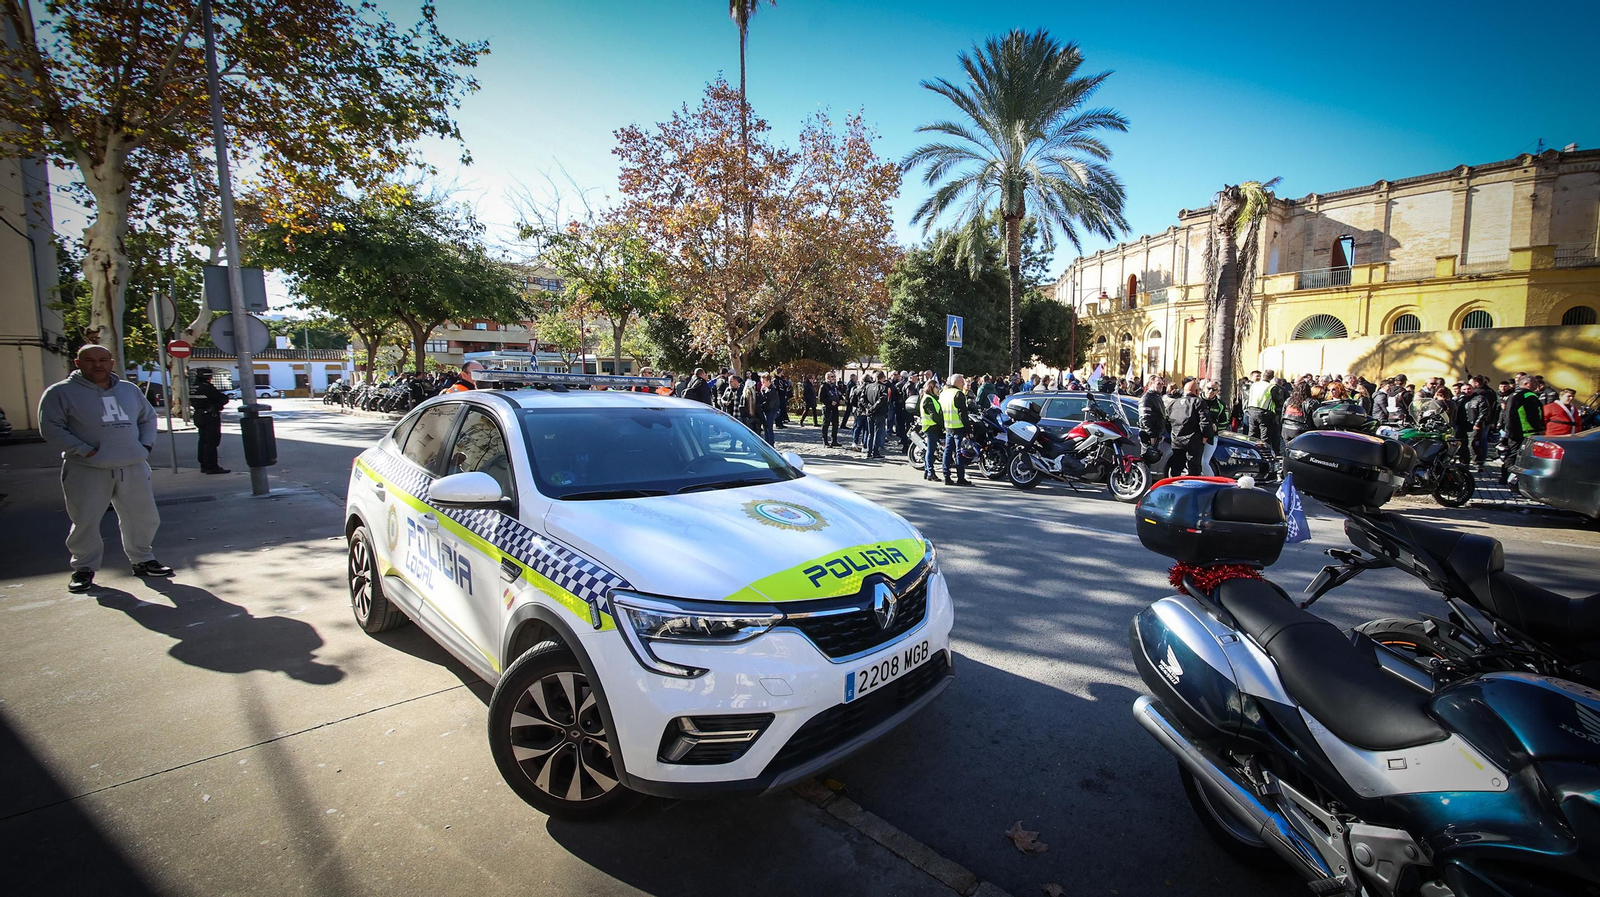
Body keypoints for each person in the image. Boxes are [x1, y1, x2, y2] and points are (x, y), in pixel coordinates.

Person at [38, 345, 174, 593]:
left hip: (132, 466)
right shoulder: (61, 393)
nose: (97, 365)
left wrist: (145, 446)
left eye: (102, 360)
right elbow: (51, 428)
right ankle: (83, 568)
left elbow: (147, 418)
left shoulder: (128, 390)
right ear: (77, 363)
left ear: (112, 363)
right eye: (89, 360)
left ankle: (143, 560)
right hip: (87, 468)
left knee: (143, 517)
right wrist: (84, 450)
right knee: (85, 520)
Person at [1166, 379, 1216, 477]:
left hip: (1177, 440)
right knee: (1194, 468)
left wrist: (1173, 433)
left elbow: (1166, 421)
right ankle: (1192, 487)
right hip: (1194, 440)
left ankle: (1174, 485)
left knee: (1176, 467)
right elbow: (1205, 422)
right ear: (1196, 391)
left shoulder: (1173, 404)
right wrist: (1206, 436)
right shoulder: (1198, 402)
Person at [1501, 375, 1544, 482]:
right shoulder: (1529, 396)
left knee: (1512, 453)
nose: (1537, 384)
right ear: (1527, 384)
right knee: (1523, 456)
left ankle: (1505, 476)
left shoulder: (1512, 395)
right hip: (1527, 431)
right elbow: (1533, 415)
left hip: (1513, 430)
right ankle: (1514, 478)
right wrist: (1539, 428)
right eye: (1534, 382)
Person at [190, 368, 231, 474]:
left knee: (203, 440)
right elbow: (223, 399)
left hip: (199, 415)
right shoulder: (207, 387)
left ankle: (204, 465)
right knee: (211, 441)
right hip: (210, 416)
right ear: (208, 377)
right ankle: (211, 466)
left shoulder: (193, 387)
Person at [938, 374, 973, 486]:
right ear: (956, 382)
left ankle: (946, 476)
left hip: (948, 426)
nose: (963, 384)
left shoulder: (943, 394)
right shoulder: (958, 394)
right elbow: (963, 414)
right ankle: (960, 478)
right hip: (958, 427)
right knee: (959, 452)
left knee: (947, 451)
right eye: (962, 382)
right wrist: (968, 430)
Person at [918, 379, 943, 481]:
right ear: (931, 387)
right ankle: (930, 473)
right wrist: (943, 424)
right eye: (936, 387)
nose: (938, 389)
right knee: (931, 451)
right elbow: (934, 415)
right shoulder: (928, 399)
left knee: (931, 450)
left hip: (933, 427)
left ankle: (926, 471)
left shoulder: (932, 398)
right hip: (930, 427)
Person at [863, 372, 889, 458]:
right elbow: (882, 400)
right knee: (877, 433)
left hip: (870, 413)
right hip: (879, 413)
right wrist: (873, 408)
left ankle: (868, 451)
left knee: (870, 433)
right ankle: (875, 451)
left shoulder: (868, 386)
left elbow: (862, 399)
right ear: (883, 378)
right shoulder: (883, 387)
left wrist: (868, 408)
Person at [819, 372, 843, 447]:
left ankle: (834, 440)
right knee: (826, 424)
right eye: (832, 376)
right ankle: (825, 442)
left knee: (835, 424)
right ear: (827, 378)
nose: (834, 378)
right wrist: (830, 402)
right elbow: (821, 398)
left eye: (834, 376)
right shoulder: (823, 386)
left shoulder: (834, 387)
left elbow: (838, 394)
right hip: (827, 407)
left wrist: (840, 399)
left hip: (835, 407)